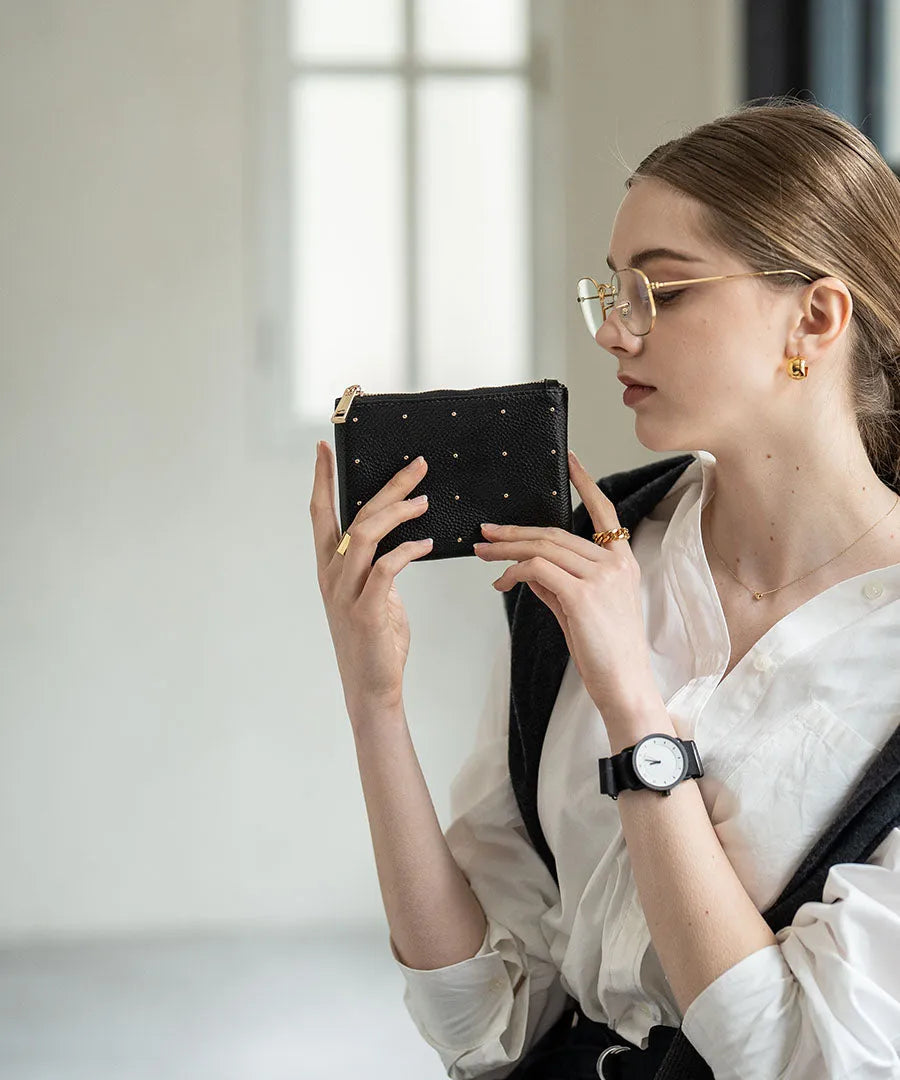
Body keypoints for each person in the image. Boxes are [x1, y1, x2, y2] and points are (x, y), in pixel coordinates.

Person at [309, 97, 900, 1080]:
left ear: (817, 315)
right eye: (611, 292)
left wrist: (635, 711)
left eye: (661, 291)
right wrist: (374, 703)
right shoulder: (590, 553)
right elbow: (485, 1022)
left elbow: (795, 1060)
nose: (616, 333)